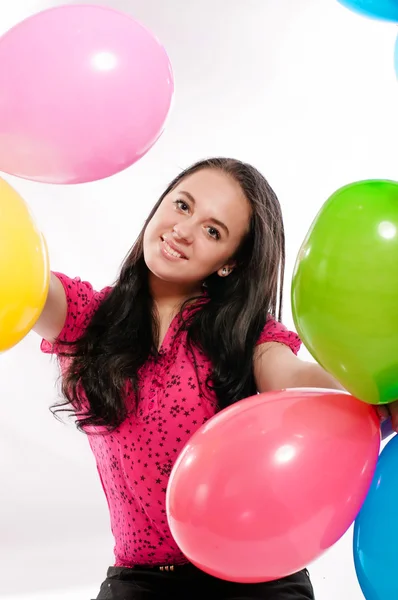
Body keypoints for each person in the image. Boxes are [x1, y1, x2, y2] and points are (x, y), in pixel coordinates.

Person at [34, 157, 346, 599]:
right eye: (182, 206)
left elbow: (293, 378)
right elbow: (24, 283)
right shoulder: (87, 316)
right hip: (141, 580)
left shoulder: (247, 335)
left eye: (212, 231)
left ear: (229, 264)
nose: (183, 230)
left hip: (255, 578)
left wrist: (366, 392)